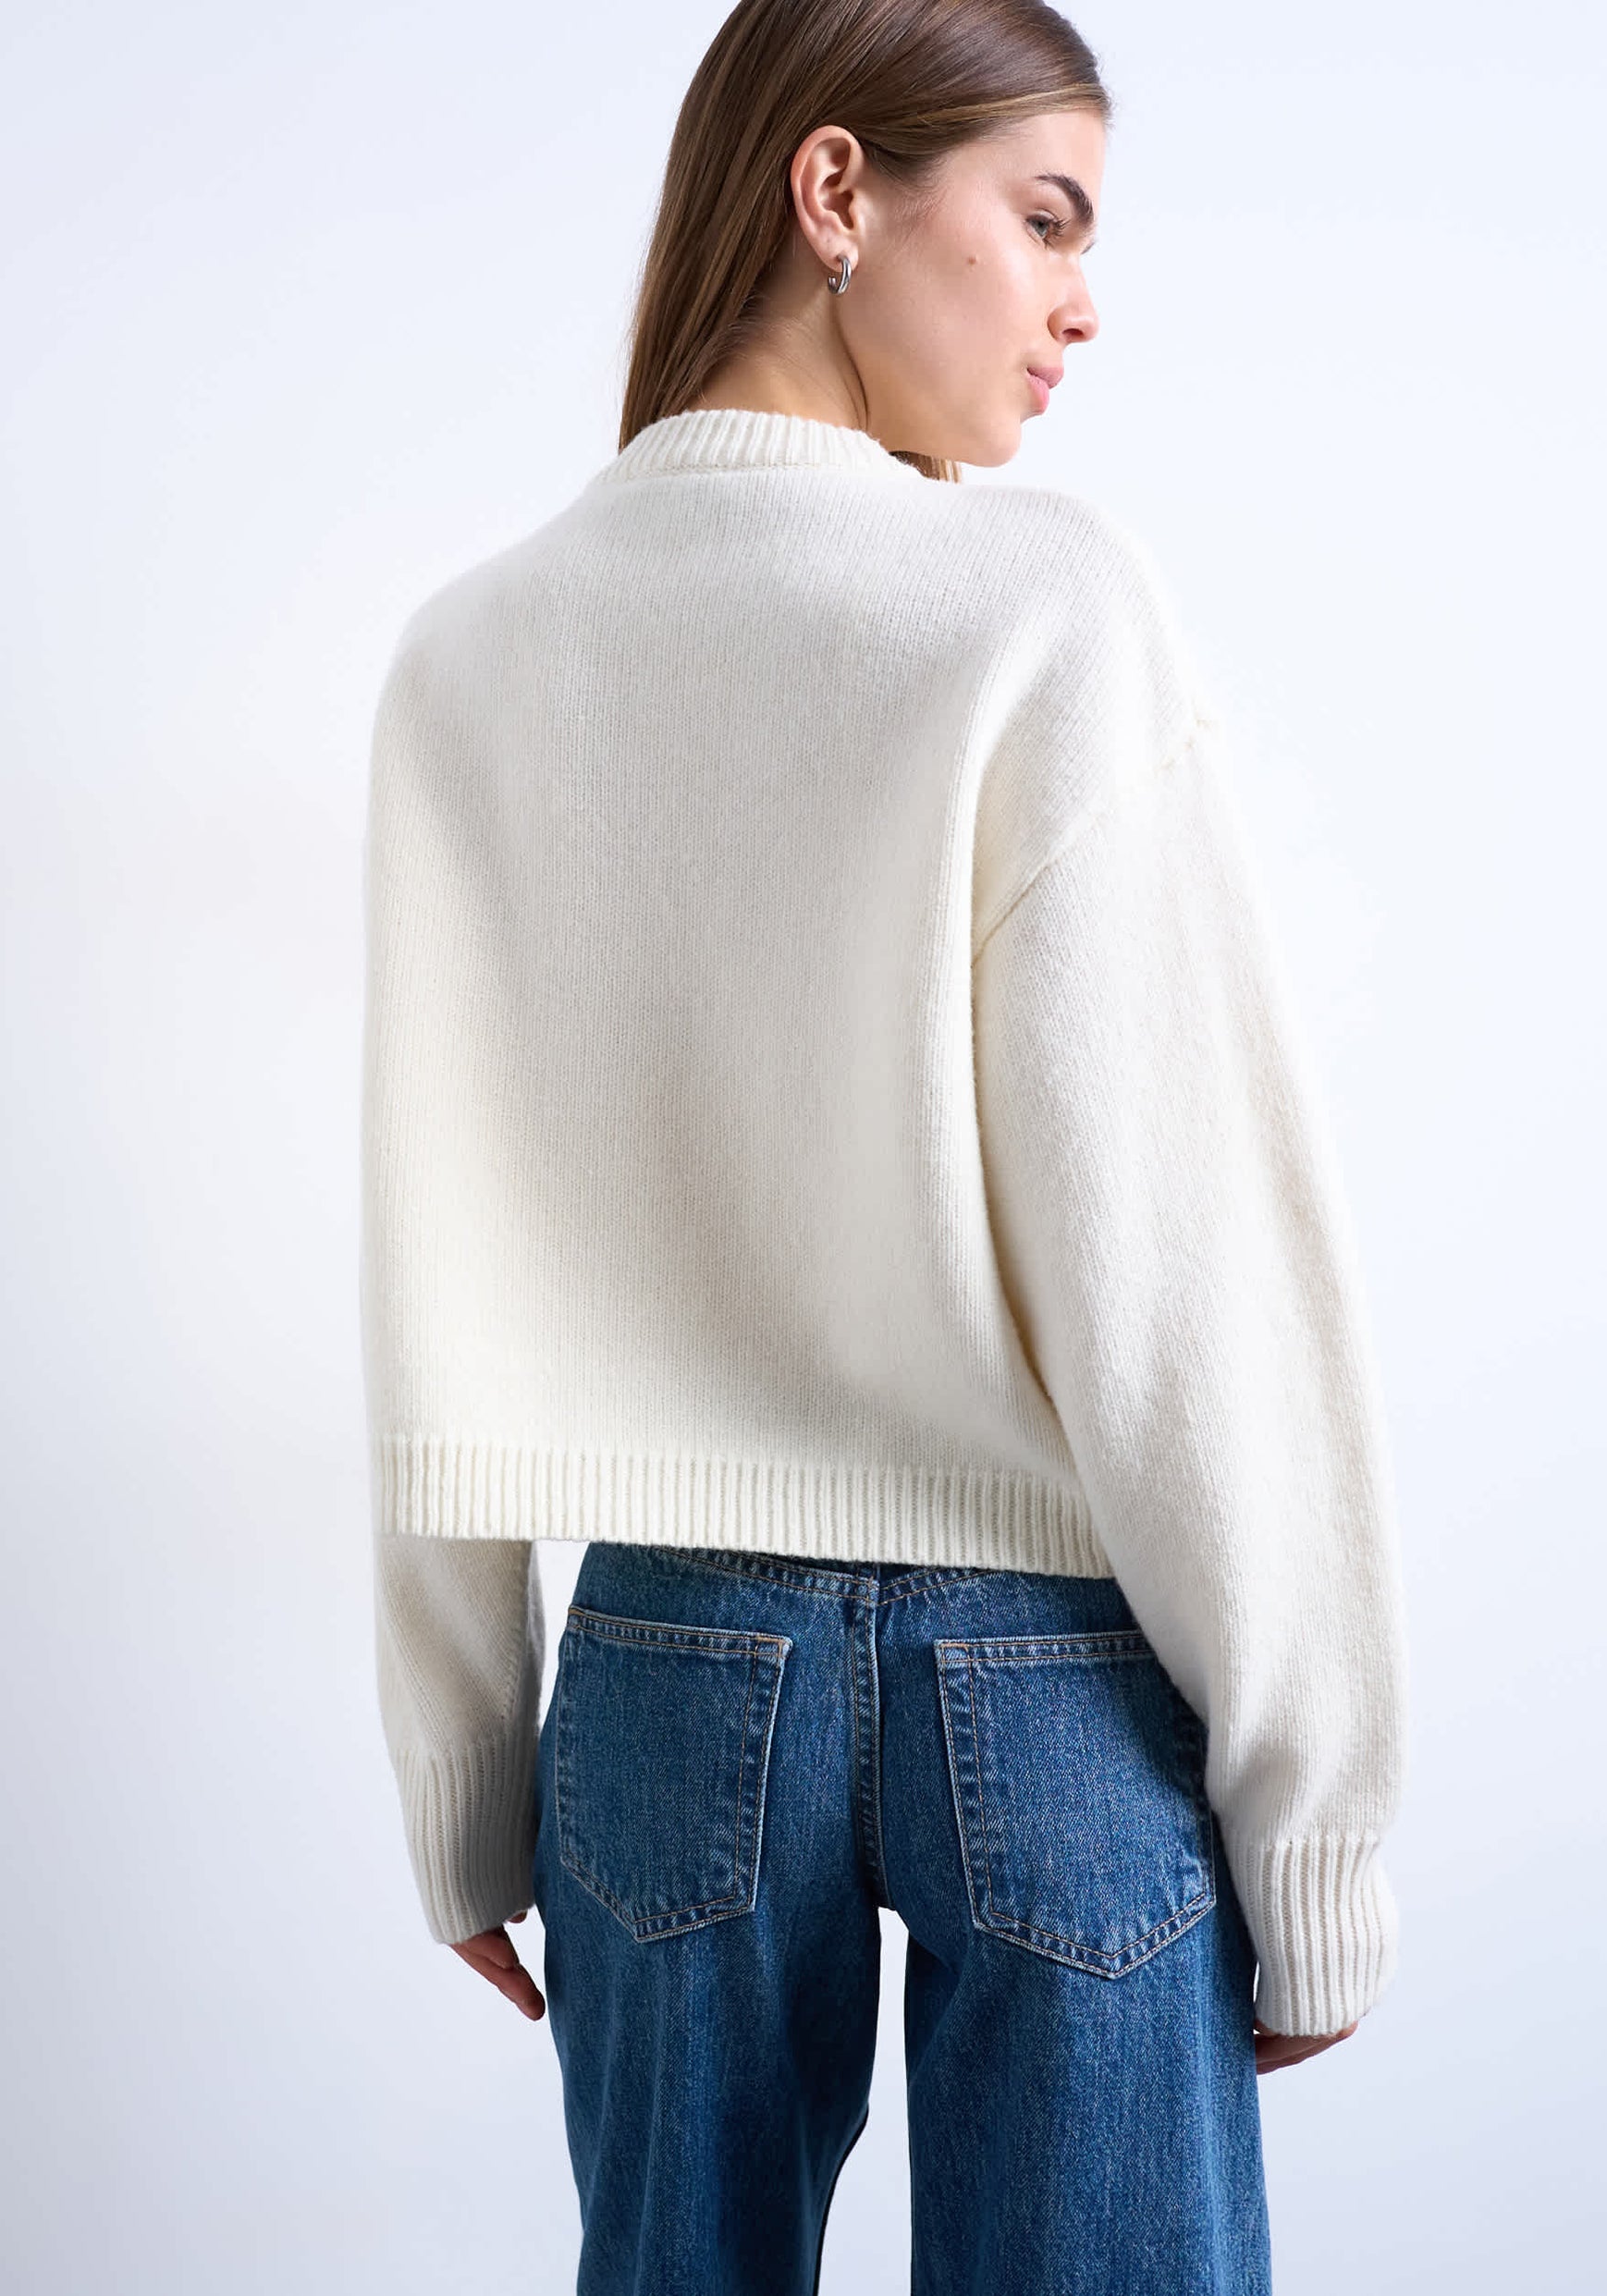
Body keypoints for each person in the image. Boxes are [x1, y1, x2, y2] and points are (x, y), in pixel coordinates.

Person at [361, 2, 1410, 2288]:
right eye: (1044, 218)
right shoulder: (1038, 607)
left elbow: (436, 1264)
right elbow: (1182, 1264)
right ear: (835, 189)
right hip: (1045, 1676)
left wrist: (459, 1769)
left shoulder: (469, 658)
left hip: (657, 1680)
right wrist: (1317, 1818)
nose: (1081, 303)